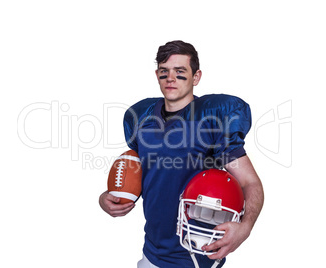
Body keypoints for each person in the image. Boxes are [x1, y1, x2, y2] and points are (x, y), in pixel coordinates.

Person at [99, 40, 264, 268]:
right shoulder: (142, 118)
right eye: (164, 72)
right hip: (151, 253)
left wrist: (245, 228)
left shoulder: (211, 120)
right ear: (157, 75)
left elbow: (250, 182)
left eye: (180, 72)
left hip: (197, 252)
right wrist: (110, 198)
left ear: (196, 77)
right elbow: (143, 177)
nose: (170, 78)